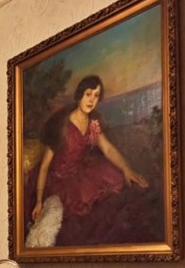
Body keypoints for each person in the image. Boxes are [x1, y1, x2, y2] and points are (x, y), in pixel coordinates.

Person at [27, 75, 149, 243]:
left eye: (96, 95)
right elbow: (44, 167)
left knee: (116, 184)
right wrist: (39, 201)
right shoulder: (62, 126)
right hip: (57, 181)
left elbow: (108, 149)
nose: (92, 100)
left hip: (80, 174)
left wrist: (126, 168)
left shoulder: (93, 124)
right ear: (79, 95)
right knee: (75, 222)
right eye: (88, 94)